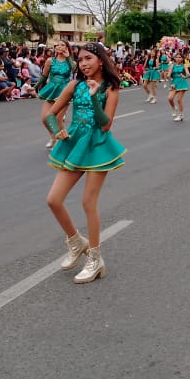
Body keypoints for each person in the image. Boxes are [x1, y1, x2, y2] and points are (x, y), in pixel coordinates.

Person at [45, 42, 126, 284]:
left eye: (88, 58)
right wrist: (57, 131)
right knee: (53, 200)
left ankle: (95, 258)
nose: (84, 64)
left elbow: (105, 124)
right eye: (80, 60)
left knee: (88, 202)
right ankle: (76, 242)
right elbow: (51, 114)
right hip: (75, 142)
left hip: (97, 145)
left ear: (101, 60)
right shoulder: (74, 85)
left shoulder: (110, 89)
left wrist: (93, 98)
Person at [38, 40, 75, 149]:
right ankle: (54, 136)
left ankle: (60, 141)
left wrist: (68, 57)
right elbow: (44, 76)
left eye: (62, 45)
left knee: (57, 120)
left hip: (64, 92)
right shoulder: (50, 60)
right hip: (52, 90)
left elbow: (75, 70)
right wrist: (34, 87)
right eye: (57, 45)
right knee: (45, 118)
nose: (59, 46)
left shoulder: (70, 61)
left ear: (67, 48)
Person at [167, 52, 190, 121]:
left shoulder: (184, 66)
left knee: (179, 100)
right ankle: (174, 108)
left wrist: (184, 76)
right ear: (174, 58)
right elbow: (168, 75)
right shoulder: (172, 65)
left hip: (182, 83)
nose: (178, 58)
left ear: (182, 58)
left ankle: (181, 115)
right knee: (170, 98)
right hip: (174, 83)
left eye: (180, 57)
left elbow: (188, 74)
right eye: (177, 57)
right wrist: (170, 82)